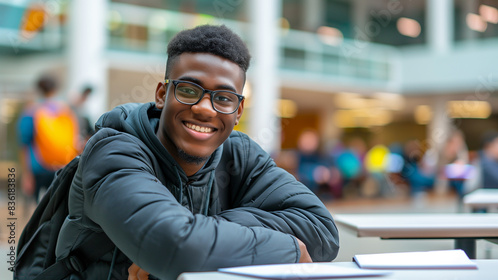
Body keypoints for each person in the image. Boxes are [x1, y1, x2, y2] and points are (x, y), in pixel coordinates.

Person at [55, 25, 340, 280]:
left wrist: (203, 229)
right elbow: (174, 248)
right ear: (161, 95)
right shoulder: (115, 151)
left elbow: (322, 231)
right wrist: (287, 246)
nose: (205, 108)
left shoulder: (241, 156)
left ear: (238, 111)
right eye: (190, 90)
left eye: (224, 98)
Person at [17, 74, 81, 202]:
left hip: (37, 166)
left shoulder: (31, 111)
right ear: (56, 89)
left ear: (38, 90)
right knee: (56, 208)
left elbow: (24, 143)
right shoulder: (66, 110)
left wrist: (26, 174)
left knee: (36, 210)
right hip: (62, 165)